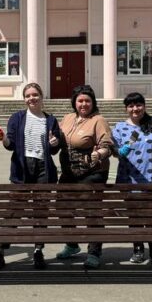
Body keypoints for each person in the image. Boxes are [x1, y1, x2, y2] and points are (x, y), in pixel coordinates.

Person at [0, 82, 64, 271]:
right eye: (28, 95)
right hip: (22, 168)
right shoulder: (18, 118)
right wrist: (3, 138)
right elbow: (10, 144)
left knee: (41, 212)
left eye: (35, 94)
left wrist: (55, 142)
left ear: (41, 97)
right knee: (14, 211)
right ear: (24, 99)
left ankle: (38, 250)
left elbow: (54, 149)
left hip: (43, 169)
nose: (32, 98)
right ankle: (0, 251)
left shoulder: (50, 120)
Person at [112, 92, 152, 271]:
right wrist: (118, 151)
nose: (135, 109)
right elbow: (114, 151)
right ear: (126, 108)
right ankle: (138, 248)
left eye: (138, 105)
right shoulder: (119, 128)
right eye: (131, 106)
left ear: (144, 106)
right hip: (130, 179)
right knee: (135, 217)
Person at [56, 84, 114, 269]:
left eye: (87, 101)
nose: (83, 104)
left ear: (93, 102)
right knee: (62, 208)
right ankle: (72, 244)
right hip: (68, 172)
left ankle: (94, 252)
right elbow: (57, 139)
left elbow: (107, 145)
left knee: (92, 212)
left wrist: (100, 153)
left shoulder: (98, 120)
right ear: (74, 102)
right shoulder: (67, 118)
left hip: (92, 172)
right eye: (80, 100)